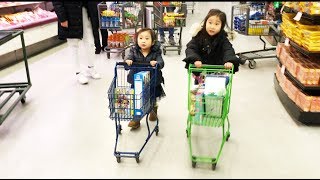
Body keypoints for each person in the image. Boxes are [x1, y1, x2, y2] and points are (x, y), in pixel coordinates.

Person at [182, 9, 240, 83]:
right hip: (200, 71)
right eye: (210, 22)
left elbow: (228, 49)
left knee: (218, 91)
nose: (212, 27)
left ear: (221, 26)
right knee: (200, 91)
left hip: (218, 72)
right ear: (205, 22)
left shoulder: (222, 38)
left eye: (217, 24)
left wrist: (229, 61)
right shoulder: (199, 36)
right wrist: (195, 59)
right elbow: (191, 48)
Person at [125, 28, 166, 129]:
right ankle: (136, 119)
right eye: (141, 38)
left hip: (152, 80)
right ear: (136, 40)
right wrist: (128, 61)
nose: (143, 41)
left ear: (152, 42)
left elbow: (161, 63)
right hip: (137, 80)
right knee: (137, 99)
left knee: (152, 97)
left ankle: (153, 109)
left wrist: (156, 63)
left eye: (147, 38)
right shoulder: (133, 50)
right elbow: (127, 59)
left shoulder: (155, 52)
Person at [53, 1, 101, 85]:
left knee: (90, 43)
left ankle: (91, 68)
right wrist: (62, 18)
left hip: (85, 12)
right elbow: (57, 2)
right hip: (70, 14)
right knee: (73, 45)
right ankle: (78, 73)